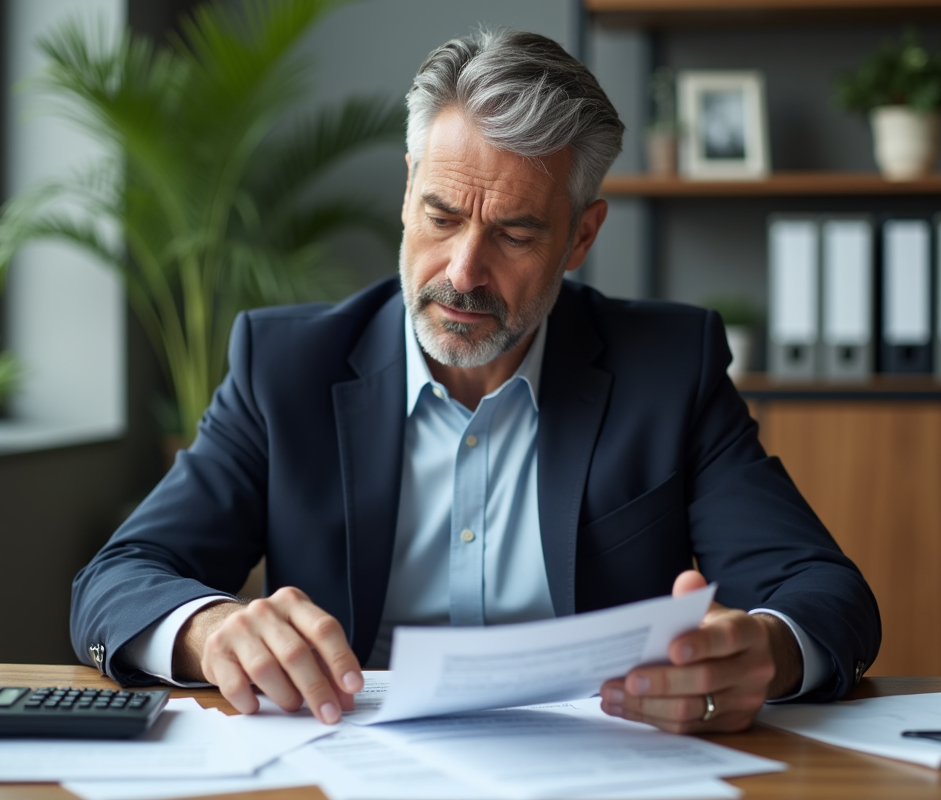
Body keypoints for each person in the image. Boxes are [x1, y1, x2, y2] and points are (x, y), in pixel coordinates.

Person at [71, 29, 880, 735]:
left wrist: (766, 652)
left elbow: (824, 591)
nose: (463, 272)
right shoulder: (285, 366)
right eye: (442, 216)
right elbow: (117, 579)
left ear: (580, 236)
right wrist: (211, 630)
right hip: (347, 763)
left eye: (515, 233)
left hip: (598, 768)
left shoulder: (668, 366)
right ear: (407, 192)